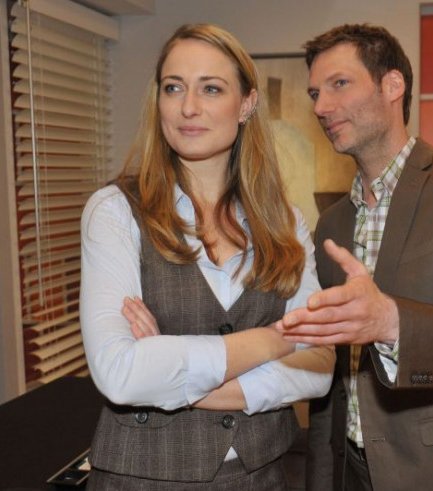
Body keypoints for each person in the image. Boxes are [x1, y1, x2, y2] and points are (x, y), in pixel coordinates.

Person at [80, 23, 334, 490]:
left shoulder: (285, 221)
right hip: (143, 480)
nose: (188, 107)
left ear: (246, 104)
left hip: (263, 477)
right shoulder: (114, 211)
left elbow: (319, 366)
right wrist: (275, 339)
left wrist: (176, 377)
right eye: (173, 87)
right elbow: (120, 374)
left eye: (211, 88)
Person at [276, 24, 433, 490]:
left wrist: (391, 323)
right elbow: (334, 379)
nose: (320, 107)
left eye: (339, 84)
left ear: (393, 85)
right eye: (314, 93)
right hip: (351, 469)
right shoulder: (331, 224)